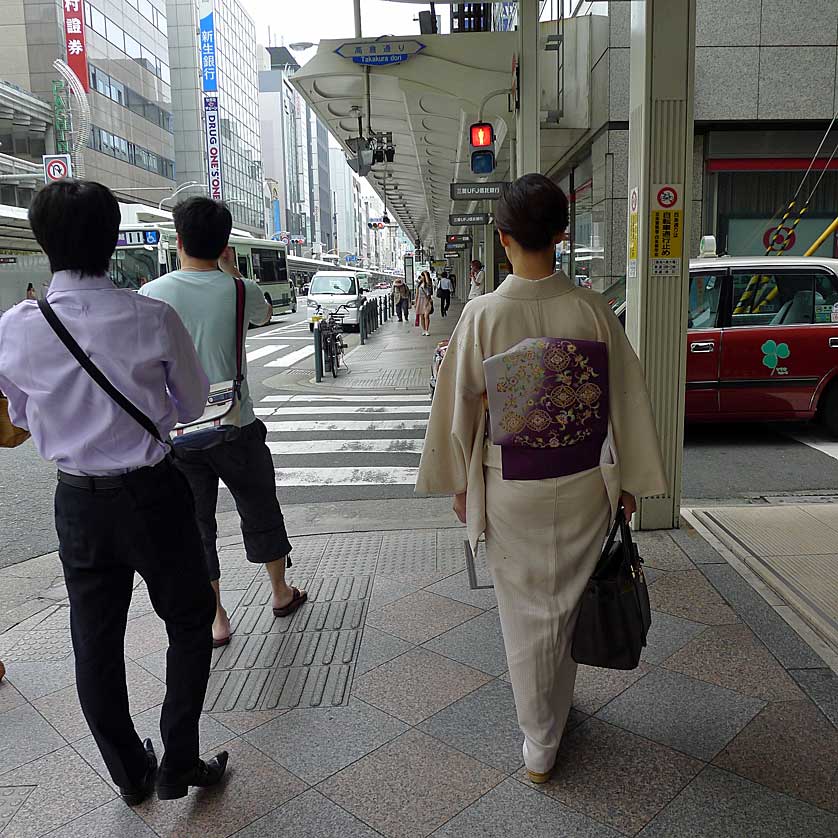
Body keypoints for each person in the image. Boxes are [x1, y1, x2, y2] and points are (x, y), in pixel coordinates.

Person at [416, 173, 667, 785]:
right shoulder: (591, 308)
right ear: (561, 233)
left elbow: (460, 409)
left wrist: (459, 485)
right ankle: (554, 712)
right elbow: (627, 397)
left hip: (511, 485)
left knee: (526, 615)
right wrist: (629, 479)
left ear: (503, 239)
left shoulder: (482, 315)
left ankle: (539, 743)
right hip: (583, 480)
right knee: (570, 595)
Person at [0, 180, 228, 804]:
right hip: (153, 492)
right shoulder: (150, 317)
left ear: (45, 243)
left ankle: (131, 773)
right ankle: (179, 756)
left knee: (94, 641)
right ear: (113, 238)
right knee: (187, 619)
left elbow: (19, 418)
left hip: (76, 502)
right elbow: (194, 400)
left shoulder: (16, 330)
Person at [140, 197, 307, 649]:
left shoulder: (152, 295)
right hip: (236, 423)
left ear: (178, 241)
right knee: (260, 506)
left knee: (196, 525)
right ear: (225, 244)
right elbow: (265, 316)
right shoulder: (240, 289)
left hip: (179, 433)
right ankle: (279, 592)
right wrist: (232, 274)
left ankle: (217, 619)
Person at [415, 270, 434, 336]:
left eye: (422, 276)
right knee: (422, 316)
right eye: (422, 276)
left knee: (426, 315)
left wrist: (425, 274)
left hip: (427, 301)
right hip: (420, 301)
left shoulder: (428, 283)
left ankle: (426, 330)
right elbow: (417, 294)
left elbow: (428, 282)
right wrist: (416, 302)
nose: (422, 277)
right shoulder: (419, 284)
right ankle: (423, 330)